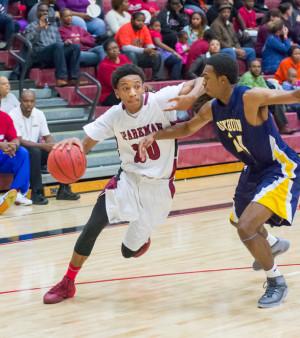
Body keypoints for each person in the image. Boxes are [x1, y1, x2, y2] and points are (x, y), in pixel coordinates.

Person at [138, 53, 300, 308]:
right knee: (239, 221)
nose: (203, 82)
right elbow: (188, 128)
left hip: (279, 167)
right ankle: (272, 243)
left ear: (223, 80)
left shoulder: (250, 97)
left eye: (207, 77)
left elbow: (293, 97)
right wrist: (156, 135)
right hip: (253, 168)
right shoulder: (212, 107)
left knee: (246, 226)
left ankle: (276, 281)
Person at [42, 63, 203, 304]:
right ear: (117, 92)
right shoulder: (114, 115)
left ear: (143, 87)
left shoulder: (161, 100)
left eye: (137, 87)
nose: (132, 93)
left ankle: (141, 238)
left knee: (128, 252)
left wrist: (189, 96)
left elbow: (202, 80)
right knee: (93, 225)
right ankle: (68, 281)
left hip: (158, 188)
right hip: (127, 180)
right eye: (125, 88)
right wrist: (74, 148)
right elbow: (84, 147)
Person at [9, 90, 80, 204]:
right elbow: (19, 141)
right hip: (19, 152)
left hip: (35, 149)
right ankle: (37, 193)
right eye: (26, 101)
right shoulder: (13, 114)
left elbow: (47, 136)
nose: (29, 104)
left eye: (32, 101)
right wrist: (43, 145)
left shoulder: (39, 114)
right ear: (20, 101)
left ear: (35, 102)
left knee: (58, 151)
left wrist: (53, 145)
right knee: (35, 151)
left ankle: (64, 189)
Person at [24, 3, 81, 87]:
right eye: (42, 11)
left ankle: (74, 78)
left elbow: (59, 40)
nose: (44, 13)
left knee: (75, 47)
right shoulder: (31, 26)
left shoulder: (53, 24)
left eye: (46, 11)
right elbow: (27, 41)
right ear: (37, 12)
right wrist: (39, 27)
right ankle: (61, 78)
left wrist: (64, 43)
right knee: (57, 46)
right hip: (40, 55)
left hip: (56, 53)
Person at [239, 59, 295, 134]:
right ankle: (282, 127)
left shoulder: (259, 77)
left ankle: (283, 127)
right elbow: (250, 93)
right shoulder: (247, 77)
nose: (257, 69)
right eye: (254, 67)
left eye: (259, 67)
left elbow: (267, 90)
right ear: (249, 68)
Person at [115, 12, 162, 81]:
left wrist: (153, 50)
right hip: (121, 54)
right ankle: (136, 78)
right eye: (138, 20)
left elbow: (149, 44)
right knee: (131, 54)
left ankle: (156, 78)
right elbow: (125, 47)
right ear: (132, 20)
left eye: (143, 21)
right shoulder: (125, 28)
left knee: (157, 54)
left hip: (138, 54)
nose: (141, 23)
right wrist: (144, 50)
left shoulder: (144, 28)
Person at [0, 110, 32, 206]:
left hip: (2, 156)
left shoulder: (4, 117)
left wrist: (14, 145)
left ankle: (16, 193)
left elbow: (14, 138)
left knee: (22, 153)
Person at [97, 39, 132, 106]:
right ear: (106, 52)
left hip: (126, 88)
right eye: (110, 49)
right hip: (109, 95)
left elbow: (133, 72)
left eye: (115, 47)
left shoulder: (123, 58)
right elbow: (114, 84)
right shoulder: (104, 66)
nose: (114, 50)